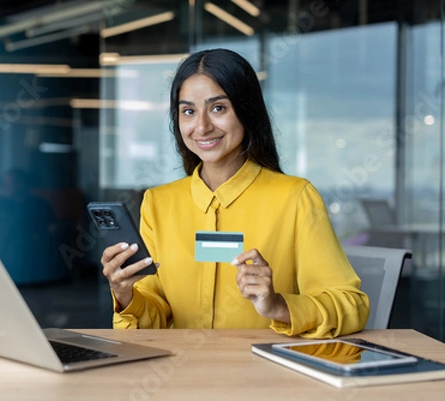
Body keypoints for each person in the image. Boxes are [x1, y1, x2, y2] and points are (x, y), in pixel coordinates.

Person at [100, 48, 369, 338]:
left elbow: (351, 305)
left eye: (218, 108)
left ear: (246, 110)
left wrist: (279, 305)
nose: (202, 127)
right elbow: (156, 318)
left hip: (264, 374)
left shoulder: (295, 198)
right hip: (181, 374)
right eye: (188, 111)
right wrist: (124, 293)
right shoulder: (158, 204)